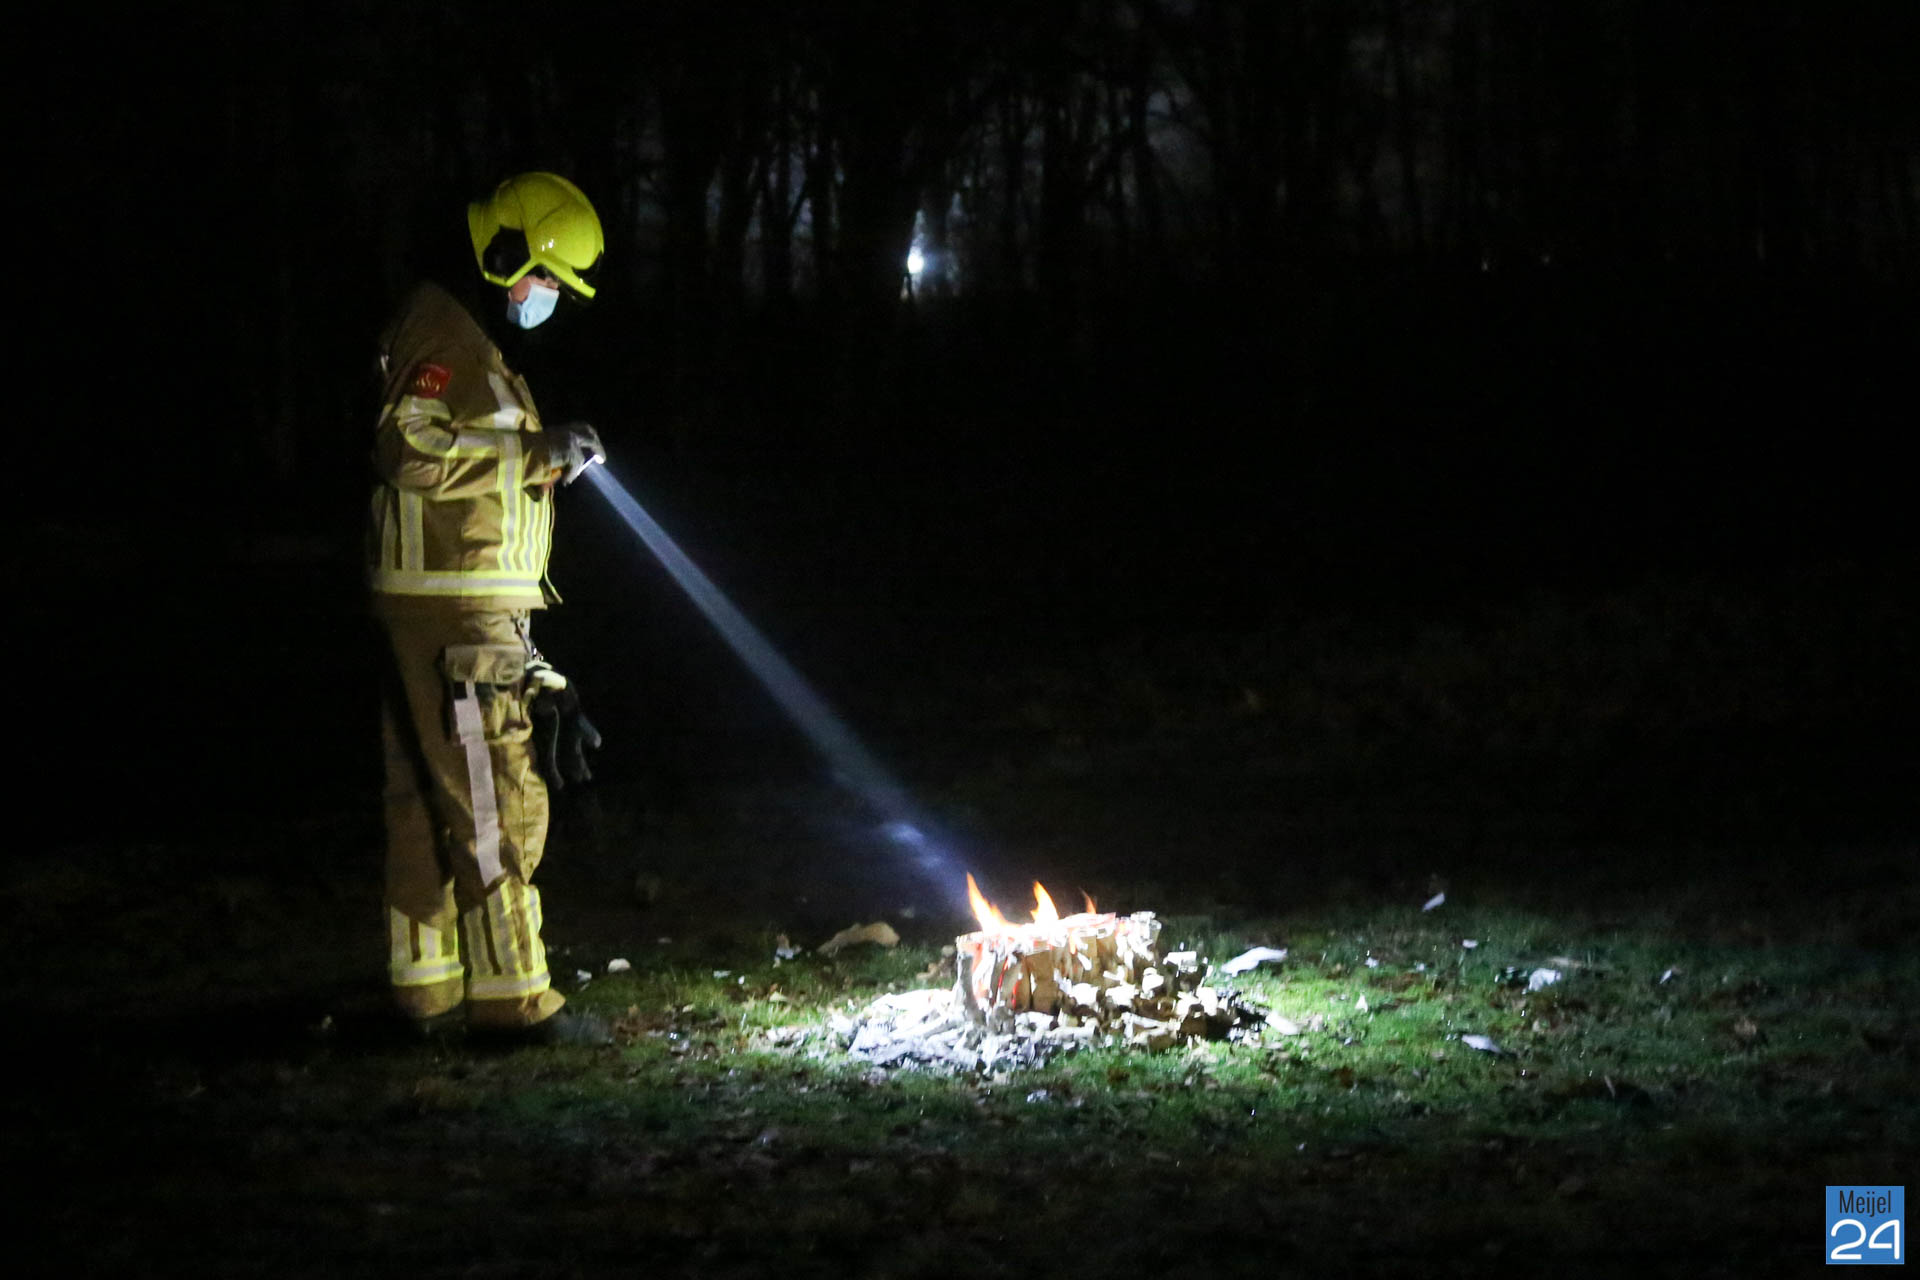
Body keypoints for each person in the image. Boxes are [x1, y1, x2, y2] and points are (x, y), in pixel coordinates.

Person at [366, 171, 610, 1044]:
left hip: (438, 598)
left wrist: (541, 454)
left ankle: (425, 988)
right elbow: (410, 447)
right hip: (454, 608)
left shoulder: (459, 331)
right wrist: (538, 453)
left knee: (422, 801)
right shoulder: (445, 327)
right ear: (505, 254)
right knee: (491, 800)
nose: (547, 299)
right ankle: (513, 1002)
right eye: (545, 279)